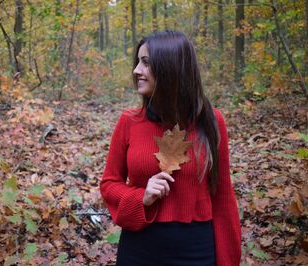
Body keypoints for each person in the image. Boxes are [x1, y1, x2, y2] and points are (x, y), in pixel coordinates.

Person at [100, 30, 241, 266]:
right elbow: (108, 184)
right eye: (137, 62)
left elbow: (223, 197)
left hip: (196, 251)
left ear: (169, 69)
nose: (136, 71)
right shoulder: (129, 121)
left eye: (145, 63)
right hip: (139, 249)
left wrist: (228, 261)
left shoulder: (211, 122)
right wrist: (139, 197)